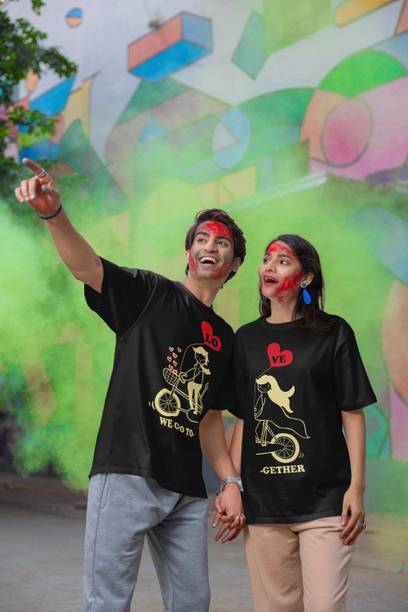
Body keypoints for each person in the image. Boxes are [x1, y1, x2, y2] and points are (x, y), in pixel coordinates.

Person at [14, 158, 246, 612]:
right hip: (126, 473)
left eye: (222, 243)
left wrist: (230, 480)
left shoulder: (224, 337)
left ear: (234, 263)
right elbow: (87, 267)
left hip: (185, 490)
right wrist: (53, 214)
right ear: (188, 253)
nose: (210, 246)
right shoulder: (150, 293)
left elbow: (209, 415)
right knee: (108, 602)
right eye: (202, 239)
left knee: (193, 601)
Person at [216, 234, 376, 612]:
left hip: (326, 501)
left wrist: (356, 487)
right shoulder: (246, 340)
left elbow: (352, 413)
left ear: (305, 277)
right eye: (266, 259)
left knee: (324, 605)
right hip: (264, 504)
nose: (269, 267)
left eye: (282, 261)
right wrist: (231, 485)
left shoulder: (333, 332)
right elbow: (245, 420)